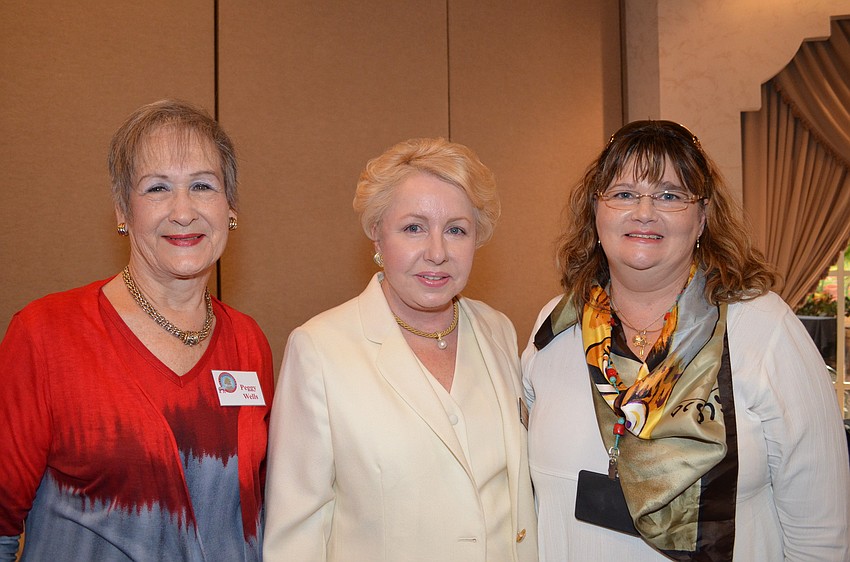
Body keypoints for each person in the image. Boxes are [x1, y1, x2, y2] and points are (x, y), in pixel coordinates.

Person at [522, 120, 850, 561]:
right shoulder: (554, 327)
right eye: (623, 194)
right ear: (595, 213)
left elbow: (821, 530)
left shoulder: (762, 326)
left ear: (703, 218)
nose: (644, 212)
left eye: (670, 195)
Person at [0, 99, 274, 561]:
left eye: (203, 186)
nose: (183, 211)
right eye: (157, 188)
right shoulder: (46, 335)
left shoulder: (249, 343)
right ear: (122, 211)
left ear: (231, 208)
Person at [263, 137, 538, 561]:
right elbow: (296, 534)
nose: (437, 252)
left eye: (456, 230)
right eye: (413, 228)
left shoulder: (497, 330)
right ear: (376, 234)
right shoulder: (320, 349)